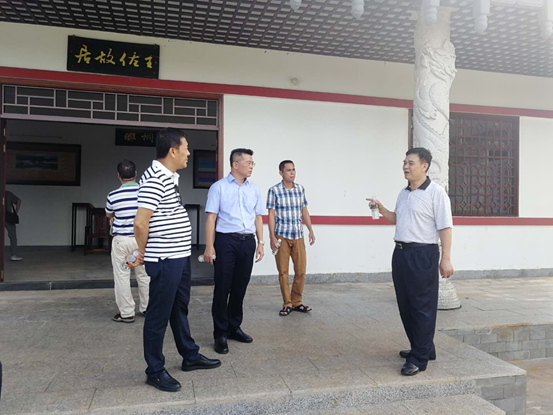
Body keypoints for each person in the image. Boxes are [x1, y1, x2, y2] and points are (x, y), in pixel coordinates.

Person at [132, 128, 220, 392]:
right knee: (158, 315)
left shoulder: (168, 177)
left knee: (179, 308)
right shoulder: (154, 180)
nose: (188, 153)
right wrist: (143, 252)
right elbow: (140, 223)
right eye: (186, 148)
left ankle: (189, 356)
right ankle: (155, 370)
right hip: (165, 258)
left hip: (179, 257)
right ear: (173, 150)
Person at [367, 147, 454, 376]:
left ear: (424, 166)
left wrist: (445, 258)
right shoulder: (403, 193)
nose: (405, 166)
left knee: (422, 306)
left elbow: (445, 227)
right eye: (404, 162)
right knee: (406, 304)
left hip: (422, 254)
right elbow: (398, 219)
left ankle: (419, 359)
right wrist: (381, 209)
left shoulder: (436, 193)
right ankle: (423, 347)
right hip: (401, 253)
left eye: (411, 163)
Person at [203, 148, 265, 355]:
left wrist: (261, 242)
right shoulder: (218, 187)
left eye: (253, 163)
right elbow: (211, 218)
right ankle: (220, 333)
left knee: (240, 287)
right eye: (249, 162)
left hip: (247, 242)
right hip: (226, 242)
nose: (251, 166)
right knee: (223, 287)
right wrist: (209, 246)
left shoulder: (254, 189)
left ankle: (234, 327)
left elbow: (258, 217)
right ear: (235, 164)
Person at [266, 160, 316, 317]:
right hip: (282, 236)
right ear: (281, 173)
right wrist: (272, 236)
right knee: (283, 272)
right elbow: (271, 214)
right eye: (288, 170)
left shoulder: (300, 189)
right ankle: (287, 303)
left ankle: (297, 302)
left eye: (294, 169)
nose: (292, 173)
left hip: (298, 235)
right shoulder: (274, 190)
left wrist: (310, 230)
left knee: (301, 270)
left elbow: (304, 211)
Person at [105, 159, 150, 324]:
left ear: (119, 176)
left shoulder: (112, 195)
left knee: (122, 276)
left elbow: (109, 215)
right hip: (142, 240)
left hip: (122, 241)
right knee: (144, 275)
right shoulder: (145, 193)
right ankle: (147, 308)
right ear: (135, 174)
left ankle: (126, 313)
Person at [4, 190, 22, 261]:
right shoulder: (8, 194)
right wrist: (15, 213)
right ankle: (13, 255)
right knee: (13, 236)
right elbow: (19, 201)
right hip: (8, 217)